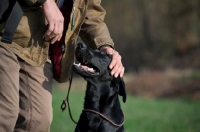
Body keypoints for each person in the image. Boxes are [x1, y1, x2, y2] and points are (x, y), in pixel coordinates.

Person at [0, 0, 125, 131]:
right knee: (5, 113)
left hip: (39, 48)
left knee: (38, 121)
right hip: (4, 34)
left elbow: (91, 12)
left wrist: (104, 45)